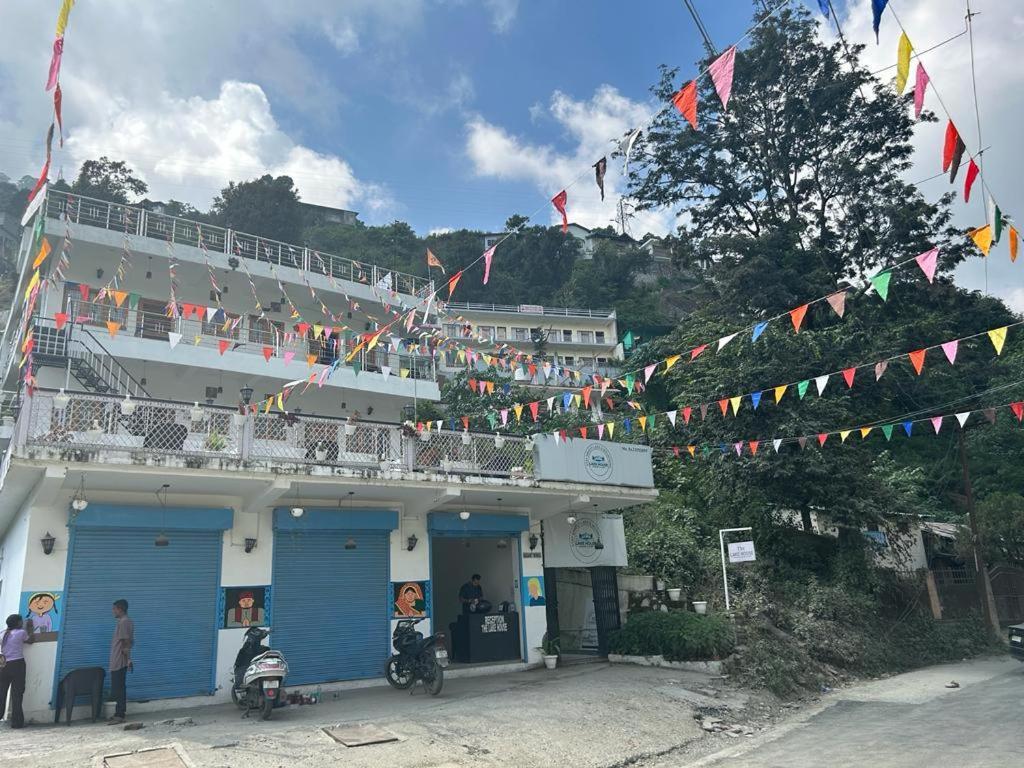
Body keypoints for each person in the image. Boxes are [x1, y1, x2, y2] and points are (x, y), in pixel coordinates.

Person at [0, 614, 33, 728]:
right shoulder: (21, 633)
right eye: (21, 621)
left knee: (1, 693)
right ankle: (17, 722)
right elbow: (31, 640)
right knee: (17, 694)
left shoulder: (3, 633)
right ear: (18, 623)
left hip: (3, 665)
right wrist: (30, 627)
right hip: (17, 665)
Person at [108, 599, 134, 725]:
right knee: (118, 687)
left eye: (114, 609)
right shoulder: (123, 622)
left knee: (118, 688)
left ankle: (120, 715)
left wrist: (128, 659)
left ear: (120, 609)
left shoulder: (124, 622)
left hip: (119, 660)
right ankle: (118, 713)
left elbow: (126, 642)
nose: (113, 611)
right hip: (118, 659)